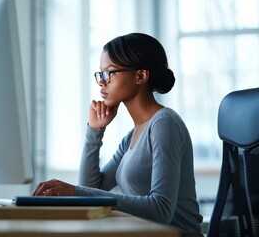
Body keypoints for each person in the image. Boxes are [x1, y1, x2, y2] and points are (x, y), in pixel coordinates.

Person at [32, 33, 203, 235]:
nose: (101, 82)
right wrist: (95, 131)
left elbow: (161, 210)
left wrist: (76, 192)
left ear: (140, 76)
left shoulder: (165, 124)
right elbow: (92, 187)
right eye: (100, 74)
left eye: (110, 73)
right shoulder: (132, 136)